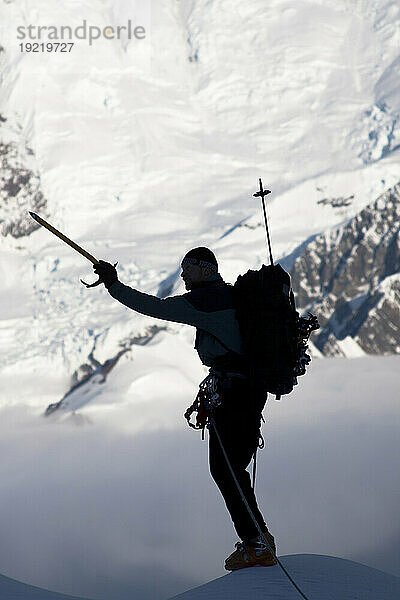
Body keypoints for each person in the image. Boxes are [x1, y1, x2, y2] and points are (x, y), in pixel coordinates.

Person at [93, 247, 277, 570]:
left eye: (187, 269)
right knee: (232, 468)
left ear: (206, 270)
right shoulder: (230, 296)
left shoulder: (205, 301)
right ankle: (258, 538)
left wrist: (114, 286)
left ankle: (257, 543)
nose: (182, 275)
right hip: (249, 391)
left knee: (225, 469)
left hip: (234, 395)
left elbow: (154, 307)